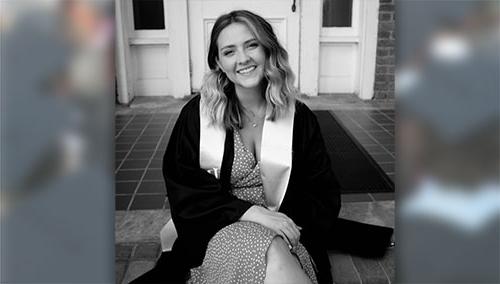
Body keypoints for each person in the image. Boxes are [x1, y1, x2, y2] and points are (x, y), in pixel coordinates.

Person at [132, 10, 341, 284]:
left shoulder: (299, 118)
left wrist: (280, 222)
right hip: (219, 227)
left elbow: (322, 191)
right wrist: (252, 214)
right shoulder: (198, 115)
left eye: (251, 45)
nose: (242, 59)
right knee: (272, 252)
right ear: (218, 62)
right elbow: (185, 188)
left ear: (268, 50)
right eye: (229, 52)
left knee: (276, 249)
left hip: (286, 227)